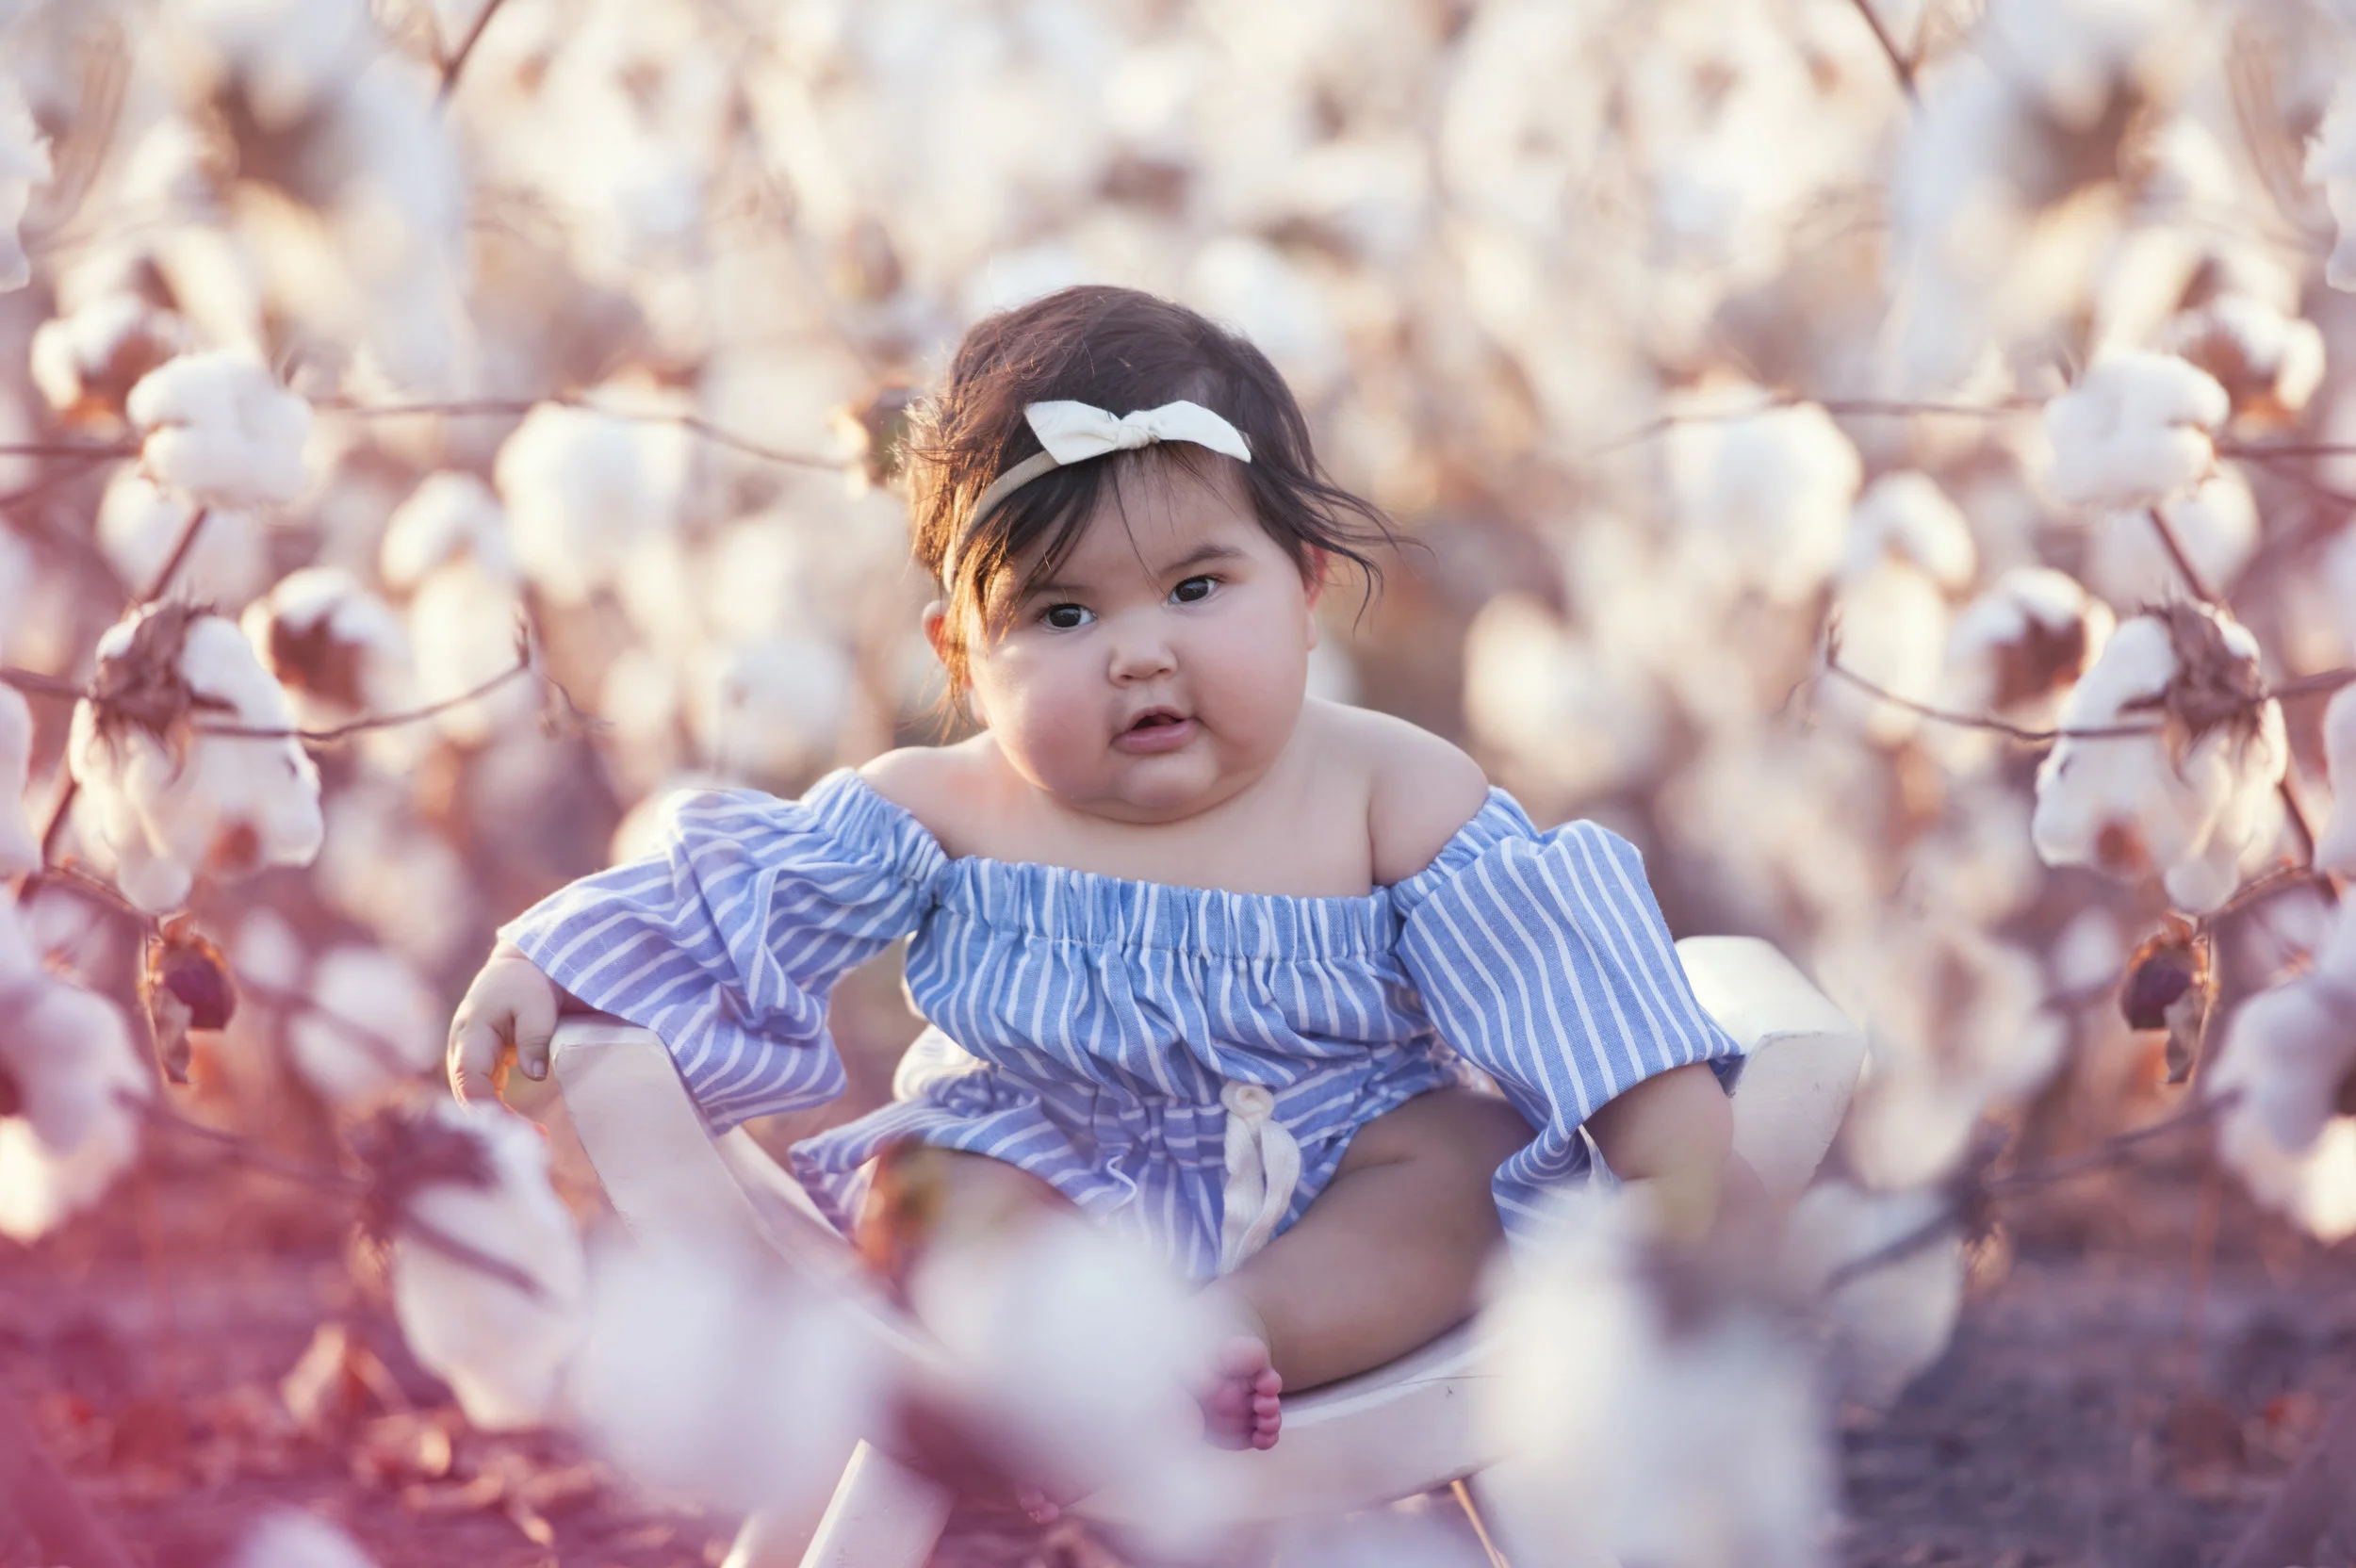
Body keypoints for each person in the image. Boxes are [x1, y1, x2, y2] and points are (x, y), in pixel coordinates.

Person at [448, 284, 1757, 1506]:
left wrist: (1675, 1180)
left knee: (1463, 1163)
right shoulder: (947, 807)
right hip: (1036, 1171)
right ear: (961, 651)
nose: (1139, 652)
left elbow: (1563, 983)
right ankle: (1092, 1350)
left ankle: (1233, 1332)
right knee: (933, 1195)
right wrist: (555, 965)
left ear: (1303, 589)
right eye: (1061, 616)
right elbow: (739, 902)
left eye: (1197, 588)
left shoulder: (1387, 791)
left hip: (1332, 1177)